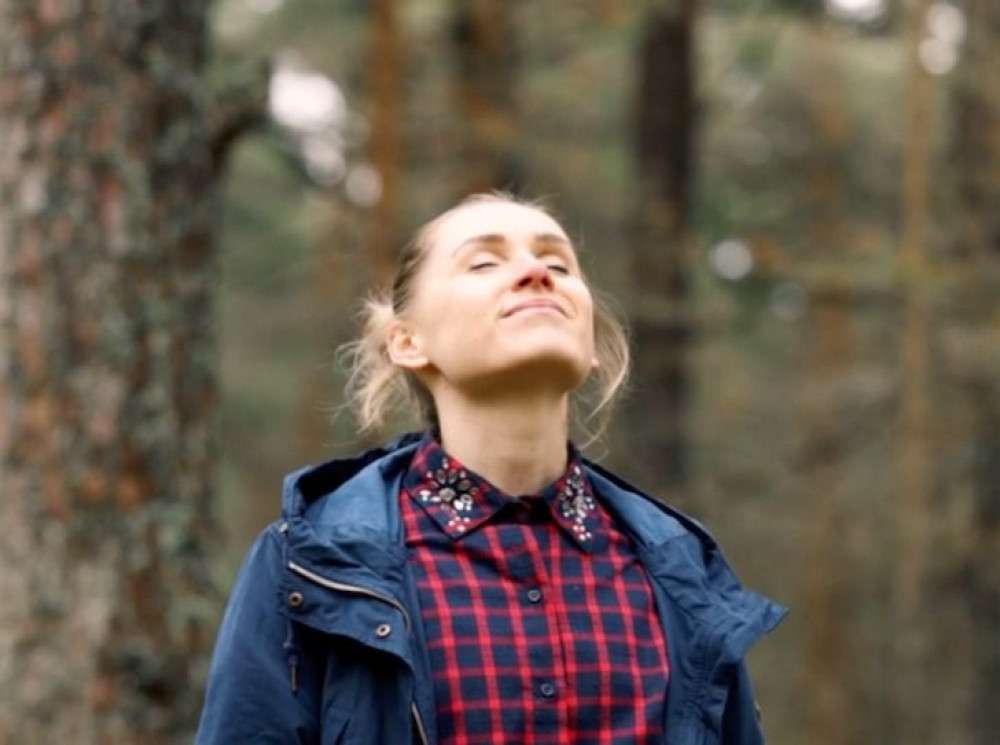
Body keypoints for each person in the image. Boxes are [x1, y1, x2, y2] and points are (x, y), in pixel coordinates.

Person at [195, 193, 787, 745]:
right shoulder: (310, 561)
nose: (536, 273)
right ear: (407, 342)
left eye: (558, 263)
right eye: (484, 263)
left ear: (592, 349)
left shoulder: (684, 571)